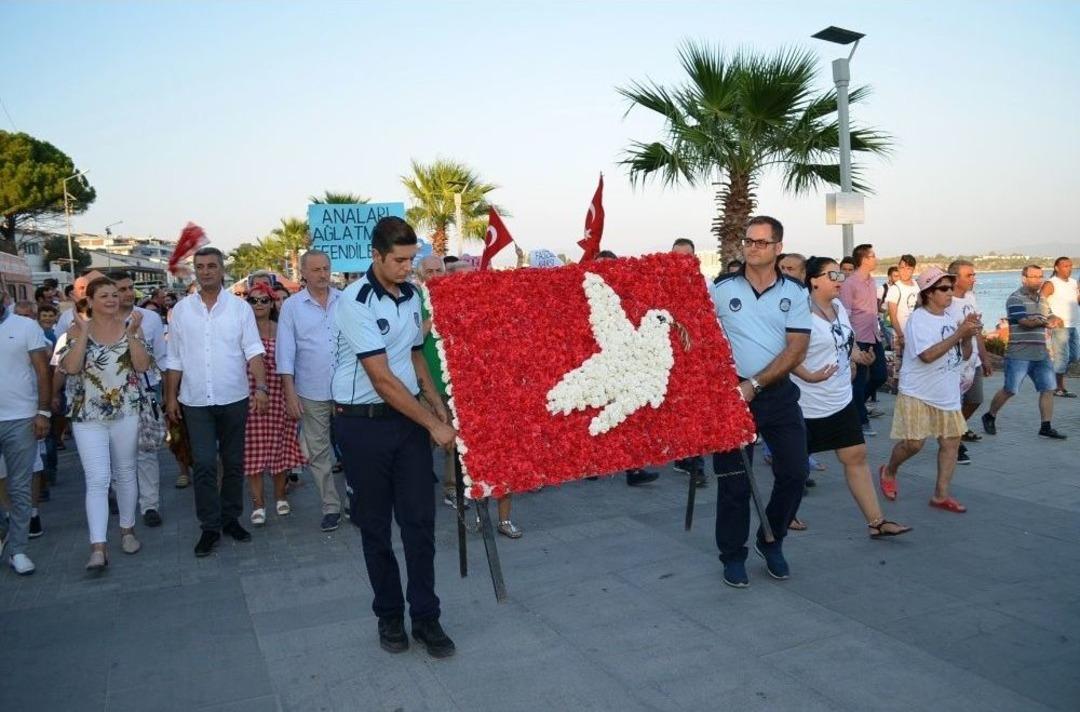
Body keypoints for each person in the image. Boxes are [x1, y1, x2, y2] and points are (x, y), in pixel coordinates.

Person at [332, 216, 456, 658]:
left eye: (411, 260)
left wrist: (435, 398)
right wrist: (433, 424)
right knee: (376, 527)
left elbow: (415, 353)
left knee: (420, 523)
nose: (408, 268)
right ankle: (389, 616)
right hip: (362, 424)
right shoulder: (354, 301)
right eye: (399, 260)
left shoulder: (413, 294)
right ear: (377, 256)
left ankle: (426, 616)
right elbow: (382, 379)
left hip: (407, 422)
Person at [709, 215, 810, 588]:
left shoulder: (796, 293)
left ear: (778, 247)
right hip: (731, 397)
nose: (752, 247)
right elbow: (696, 333)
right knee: (734, 482)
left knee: (795, 473)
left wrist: (755, 383)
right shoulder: (720, 289)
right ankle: (732, 555)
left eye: (761, 242)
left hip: (777, 394)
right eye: (749, 241)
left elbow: (797, 349)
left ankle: (772, 539)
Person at [790, 257, 910, 537]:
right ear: (813, 280)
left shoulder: (839, 308)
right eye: (832, 274)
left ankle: (877, 522)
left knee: (856, 455)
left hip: (840, 399)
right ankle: (783, 513)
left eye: (840, 275)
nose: (839, 280)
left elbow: (846, 340)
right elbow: (785, 353)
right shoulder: (799, 314)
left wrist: (858, 355)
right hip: (805, 404)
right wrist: (807, 375)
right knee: (794, 469)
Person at [165, 247, 269, 557]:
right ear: (194, 270)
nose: (206, 271)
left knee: (234, 462)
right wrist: (171, 397)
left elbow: (253, 350)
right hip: (195, 401)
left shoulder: (240, 309)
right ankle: (209, 527)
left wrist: (261, 387)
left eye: (212, 265)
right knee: (206, 464)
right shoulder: (181, 311)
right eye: (200, 266)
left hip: (233, 397)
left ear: (222, 270)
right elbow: (174, 358)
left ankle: (231, 519)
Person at [58, 277, 152, 569]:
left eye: (115, 294)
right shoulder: (74, 331)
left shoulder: (130, 329)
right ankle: (98, 546)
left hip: (125, 411)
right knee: (97, 479)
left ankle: (127, 530)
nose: (112, 299)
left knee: (125, 472)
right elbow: (70, 368)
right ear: (90, 301)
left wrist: (134, 334)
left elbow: (142, 365)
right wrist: (84, 332)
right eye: (105, 296)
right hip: (88, 416)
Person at [879, 268, 981, 513]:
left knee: (951, 443)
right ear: (928, 293)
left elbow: (964, 355)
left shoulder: (948, 318)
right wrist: (959, 333)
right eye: (944, 288)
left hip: (947, 393)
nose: (950, 293)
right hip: (918, 392)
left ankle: (940, 495)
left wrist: (968, 336)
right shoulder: (919, 320)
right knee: (914, 444)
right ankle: (889, 470)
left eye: (950, 287)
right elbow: (927, 356)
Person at [277, 250, 344, 531]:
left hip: (347, 390)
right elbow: (285, 354)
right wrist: (290, 394)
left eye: (326, 268)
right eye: (315, 269)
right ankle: (331, 506)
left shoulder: (345, 300)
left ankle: (357, 500)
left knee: (354, 449)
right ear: (303, 272)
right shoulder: (292, 307)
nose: (322, 274)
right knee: (318, 453)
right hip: (310, 391)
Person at [594, 249, 661, 486]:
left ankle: (634, 468)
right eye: (601, 266)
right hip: (598, 362)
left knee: (631, 415)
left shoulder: (629, 292)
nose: (606, 271)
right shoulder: (588, 292)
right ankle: (592, 462)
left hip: (625, 363)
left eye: (610, 266)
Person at [108, 271, 169, 528]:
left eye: (130, 288)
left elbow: (162, 358)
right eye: (121, 289)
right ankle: (120, 498)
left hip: (146, 390)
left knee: (145, 451)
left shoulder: (152, 318)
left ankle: (150, 505)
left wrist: (166, 393)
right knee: (116, 453)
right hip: (111, 397)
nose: (128, 293)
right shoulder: (100, 321)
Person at [0, 274, 52, 575]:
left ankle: (18, 549)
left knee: (20, 486)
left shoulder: (25, 326)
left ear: (4, 293)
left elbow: (42, 371)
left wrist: (43, 412)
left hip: (20, 418)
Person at [242, 283, 305, 525]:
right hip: (250, 396)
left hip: (280, 394)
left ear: (272, 303)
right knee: (253, 452)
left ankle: (280, 496)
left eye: (263, 300)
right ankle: (258, 504)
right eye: (253, 300)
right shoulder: (242, 331)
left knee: (280, 446)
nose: (258, 304)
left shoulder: (283, 330)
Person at [982, 266, 1067, 440]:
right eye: (1033, 277)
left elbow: (1049, 317)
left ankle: (1046, 426)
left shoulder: (1043, 300)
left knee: (1048, 389)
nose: (1038, 280)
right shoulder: (1015, 298)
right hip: (1019, 353)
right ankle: (990, 415)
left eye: (1040, 276)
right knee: (1010, 389)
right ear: (1024, 279)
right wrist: (1043, 323)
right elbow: (1024, 322)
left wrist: (1054, 319)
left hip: (1041, 353)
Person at [669, 238, 708, 488]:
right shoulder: (660, 285)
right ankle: (682, 456)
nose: (682, 261)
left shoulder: (707, 285)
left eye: (687, 256)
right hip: (668, 360)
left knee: (694, 412)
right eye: (677, 256)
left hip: (696, 359)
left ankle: (697, 464)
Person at [947, 260, 993, 464]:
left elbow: (977, 331)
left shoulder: (971, 298)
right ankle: (953, 442)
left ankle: (957, 430)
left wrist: (984, 357)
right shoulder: (946, 302)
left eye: (974, 275)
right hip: (954, 362)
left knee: (976, 399)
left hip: (973, 360)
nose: (974, 279)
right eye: (969, 275)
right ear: (955, 278)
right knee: (954, 404)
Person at [838, 244, 885, 435]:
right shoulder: (850, 284)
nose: (876, 259)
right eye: (873, 256)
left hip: (874, 335)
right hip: (858, 338)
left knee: (880, 375)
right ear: (864, 259)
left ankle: (854, 406)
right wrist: (851, 344)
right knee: (858, 380)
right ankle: (861, 420)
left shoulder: (872, 282)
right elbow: (845, 314)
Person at [1040, 257, 1079, 397]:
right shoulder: (1051, 283)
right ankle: (1058, 388)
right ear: (1057, 268)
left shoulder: (1074, 283)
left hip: (1073, 325)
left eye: (1070, 266)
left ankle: (1050, 374)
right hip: (1059, 327)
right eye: (1065, 266)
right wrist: (1051, 316)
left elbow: (1077, 302)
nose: (1069, 268)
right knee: (1062, 358)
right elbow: (1040, 300)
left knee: (1074, 356)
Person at [885, 255, 919, 357]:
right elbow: (892, 316)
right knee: (899, 367)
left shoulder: (917, 285)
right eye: (902, 268)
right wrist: (900, 336)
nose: (904, 271)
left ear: (913, 270)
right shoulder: (895, 289)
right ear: (898, 268)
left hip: (916, 334)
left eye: (908, 268)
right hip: (900, 335)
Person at [55, 270, 106, 335]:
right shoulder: (67, 315)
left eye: (87, 287)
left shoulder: (109, 312)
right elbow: (59, 338)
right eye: (81, 288)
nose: (84, 291)